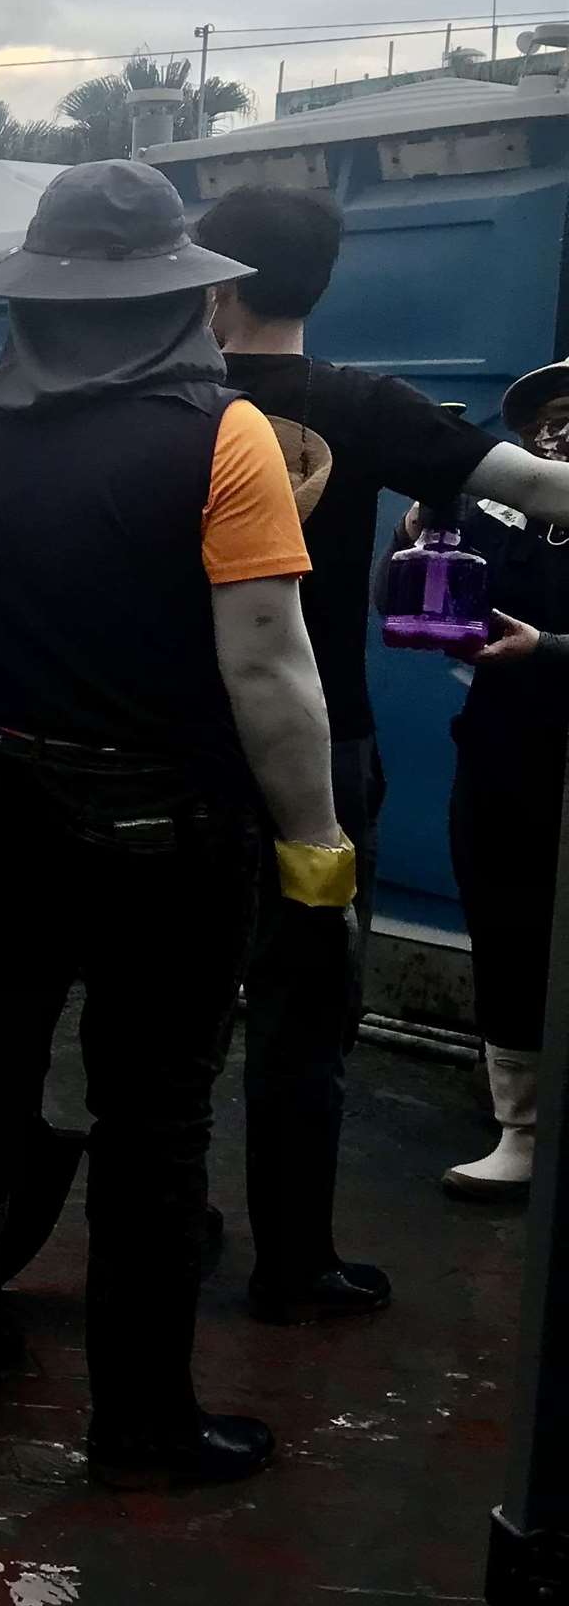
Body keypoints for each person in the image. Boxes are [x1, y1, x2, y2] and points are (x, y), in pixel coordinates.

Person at [0, 160, 346, 1492]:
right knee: (153, 1121)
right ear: (181, 297)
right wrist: (316, 850)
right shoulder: (229, 442)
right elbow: (268, 670)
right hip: (168, 828)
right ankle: (142, 1424)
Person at [188, 186, 569, 1317]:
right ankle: (294, 1263)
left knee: (168, 1006)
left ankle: (167, 1223)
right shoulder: (365, 404)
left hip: (178, 751)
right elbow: (544, 488)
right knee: (306, 1015)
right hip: (322, 753)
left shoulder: (166, 401)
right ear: (319, 280)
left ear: (212, 282)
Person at [437, 361, 569, 1200]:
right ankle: (519, 1125)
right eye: (545, 422)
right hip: (503, 759)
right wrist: (421, 535)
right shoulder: (499, 519)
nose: (557, 432)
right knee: (507, 930)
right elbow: (402, 601)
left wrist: (550, 652)